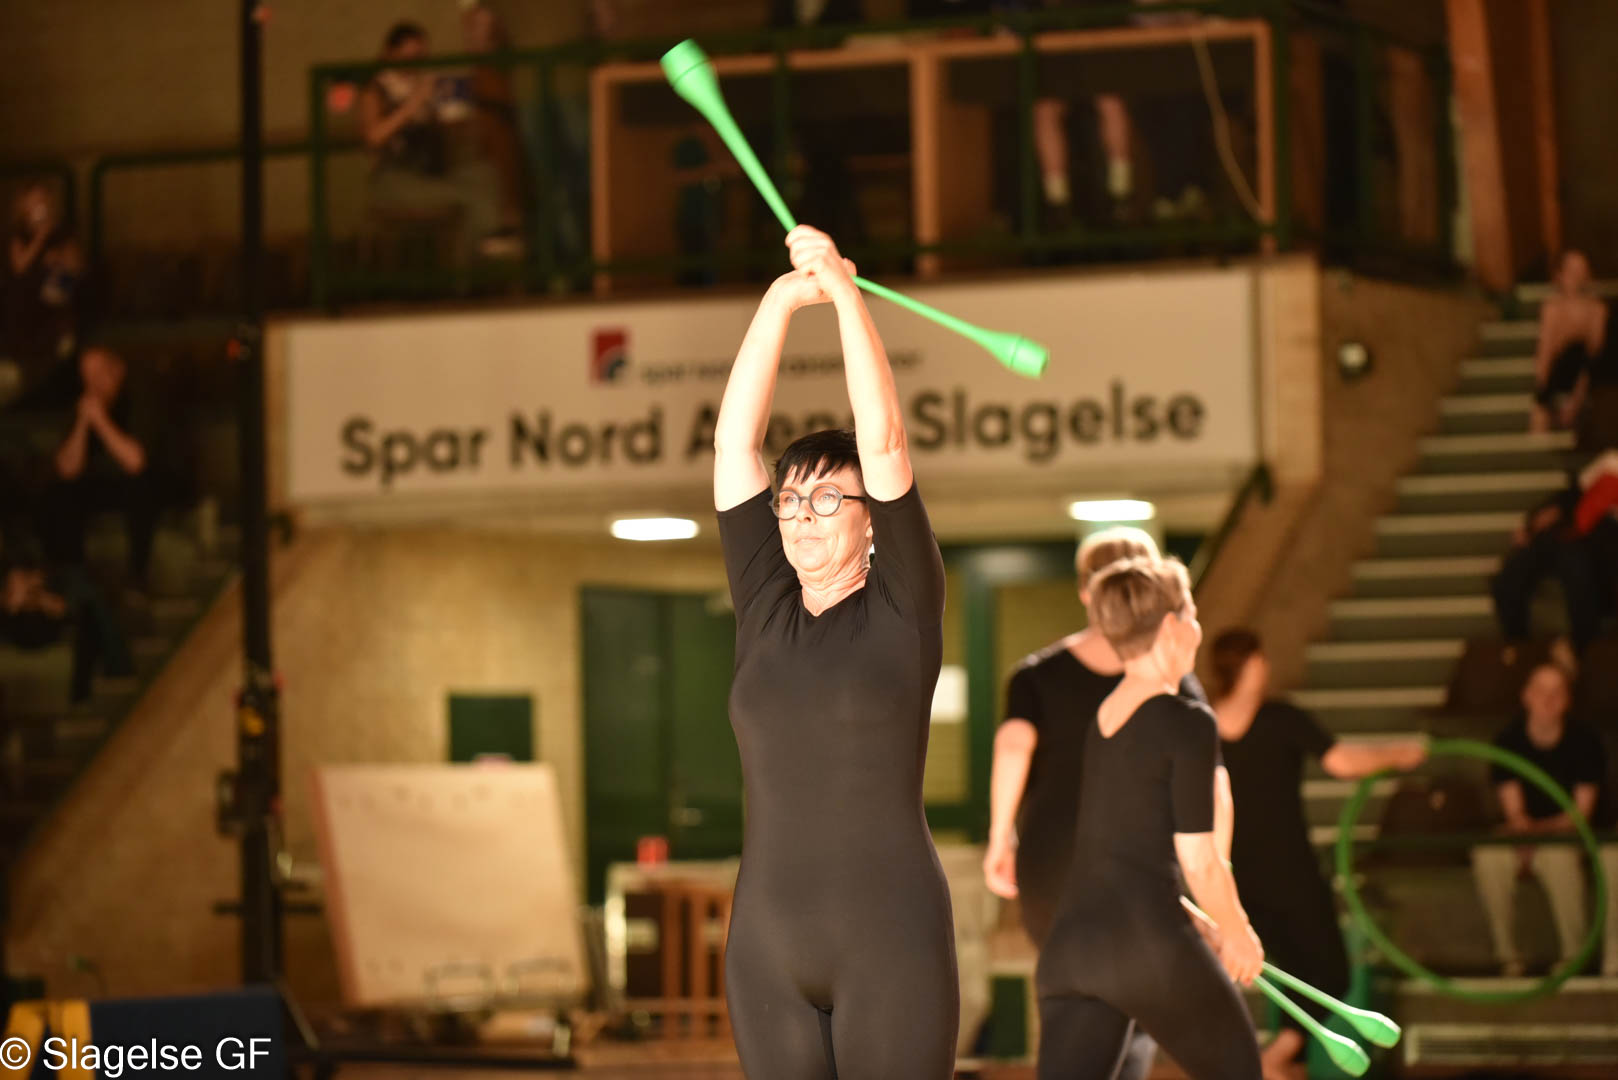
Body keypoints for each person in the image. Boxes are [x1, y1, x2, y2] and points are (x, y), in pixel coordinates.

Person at [713, 225, 957, 1078]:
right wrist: (783, 299)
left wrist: (846, 295)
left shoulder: (903, 608)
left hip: (889, 940)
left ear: (870, 521)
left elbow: (884, 441)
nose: (801, 517)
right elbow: (732, 445)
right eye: (789, 502)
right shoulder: (763, 604)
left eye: (826, 501)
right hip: (766, 946)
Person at [984, 526, 1212, 1080]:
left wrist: (1000, 836)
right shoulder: (1172, 680)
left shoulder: (1036, 675)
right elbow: (1211, 786)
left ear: (1087, 590)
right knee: (1137, 1001)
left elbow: (1013, 746)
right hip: (1138, 863)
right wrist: (1208, 876)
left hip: (1053, 861)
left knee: (1075, 997)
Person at [1037, 556, 1264, 1080]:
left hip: (1072, 950)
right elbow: (1199, 859)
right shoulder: (1187, 720)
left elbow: (1121, 848)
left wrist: (1199, 916)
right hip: (1146, 943)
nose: (1197, 628)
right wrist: (1237, 930)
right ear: (1171, 627)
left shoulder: (1105, 716)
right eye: (1193, 614)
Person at [1208, 628, 1427, 1076]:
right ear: (1252, 665)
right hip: (1289, 873)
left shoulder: (1200, 726)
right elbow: (1343, 763)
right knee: (1328, 974)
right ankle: (1274, 1059)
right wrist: (1400, 755)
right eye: (1262, 659)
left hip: (1234, 877)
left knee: (1297, 973)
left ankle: (1279, 1061)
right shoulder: (1279, 718)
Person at [1471, 661, 1612, 976]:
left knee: (1557, 856)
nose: (1548, 699)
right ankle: (1507, 956)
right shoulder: (1508, 741)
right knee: (1489, 856)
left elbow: (1580, 815)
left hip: (1569, 835)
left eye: (1557, 692)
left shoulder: (1585, 741)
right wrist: (1524, 833)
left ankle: (1574, 955)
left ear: (1567, 699)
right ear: (1527, 695)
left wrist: (1537, 833)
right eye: (1541, 690)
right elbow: (1514, 812)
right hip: (1527, 834)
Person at [357, 22, 511, 265]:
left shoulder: (424, 85)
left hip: (430, 173)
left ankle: (479, 253)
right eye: (409, 58)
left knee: (485, 175)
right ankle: (478, 257)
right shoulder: (376, 88)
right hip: (394, 179)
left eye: (421, 58)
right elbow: (373, 136)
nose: (415, 65)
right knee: (467, 196)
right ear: (390, 53)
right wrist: (412, 105)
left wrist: (453, 113)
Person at [40, 346, 157, 590]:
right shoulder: (80, 408)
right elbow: (67, 469)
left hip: (135, 486)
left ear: (117, 371)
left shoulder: (137, 402)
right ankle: (71, 578)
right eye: (87, 377)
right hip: (94, 489)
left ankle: (138, 577)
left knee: (142, 490)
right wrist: (83, 423)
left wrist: (100, 420)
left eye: (98, 375)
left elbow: (135, 463)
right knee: (57, 495)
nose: (92, 384)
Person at [1491, 472, 1618, 654]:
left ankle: (1582, 651)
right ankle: (1519, 645)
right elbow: (1571, 495)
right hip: (1566, 537)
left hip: (1596, 549)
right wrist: (1535, 522)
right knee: (1511, 578)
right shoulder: (1608, 467)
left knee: (1577, 569)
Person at [1531, 251, 1614, 433]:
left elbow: (1593, 355)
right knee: (1541, 408)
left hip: (1587, 377)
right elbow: (1545, 351)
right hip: (1560, 373)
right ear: (1560, 275)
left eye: (1581, 271)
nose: (1577, 277)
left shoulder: (1597, 309)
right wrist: (1542, 387)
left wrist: (1577, 398)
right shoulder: (1552, 308)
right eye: (1572, 272)